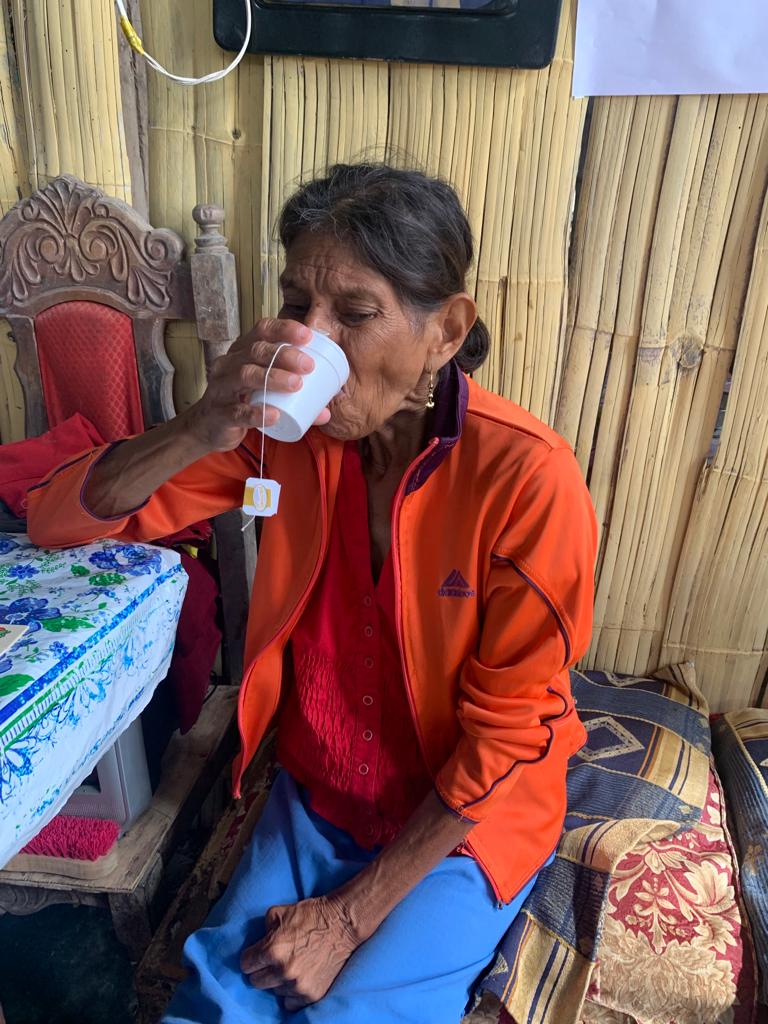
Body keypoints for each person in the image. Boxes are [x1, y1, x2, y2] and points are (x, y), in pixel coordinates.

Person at [28, 163, 597, 1024]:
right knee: (217, 999)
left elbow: (508, 735)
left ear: (445, 330)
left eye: (354, 314)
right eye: (297, 304)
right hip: (322, 793)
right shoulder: (278, 439)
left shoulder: (526, 477)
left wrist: (346, 920)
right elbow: (60, 518)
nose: (310, 336)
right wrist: (199, 425)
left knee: (350, 1013)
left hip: (464, 821)